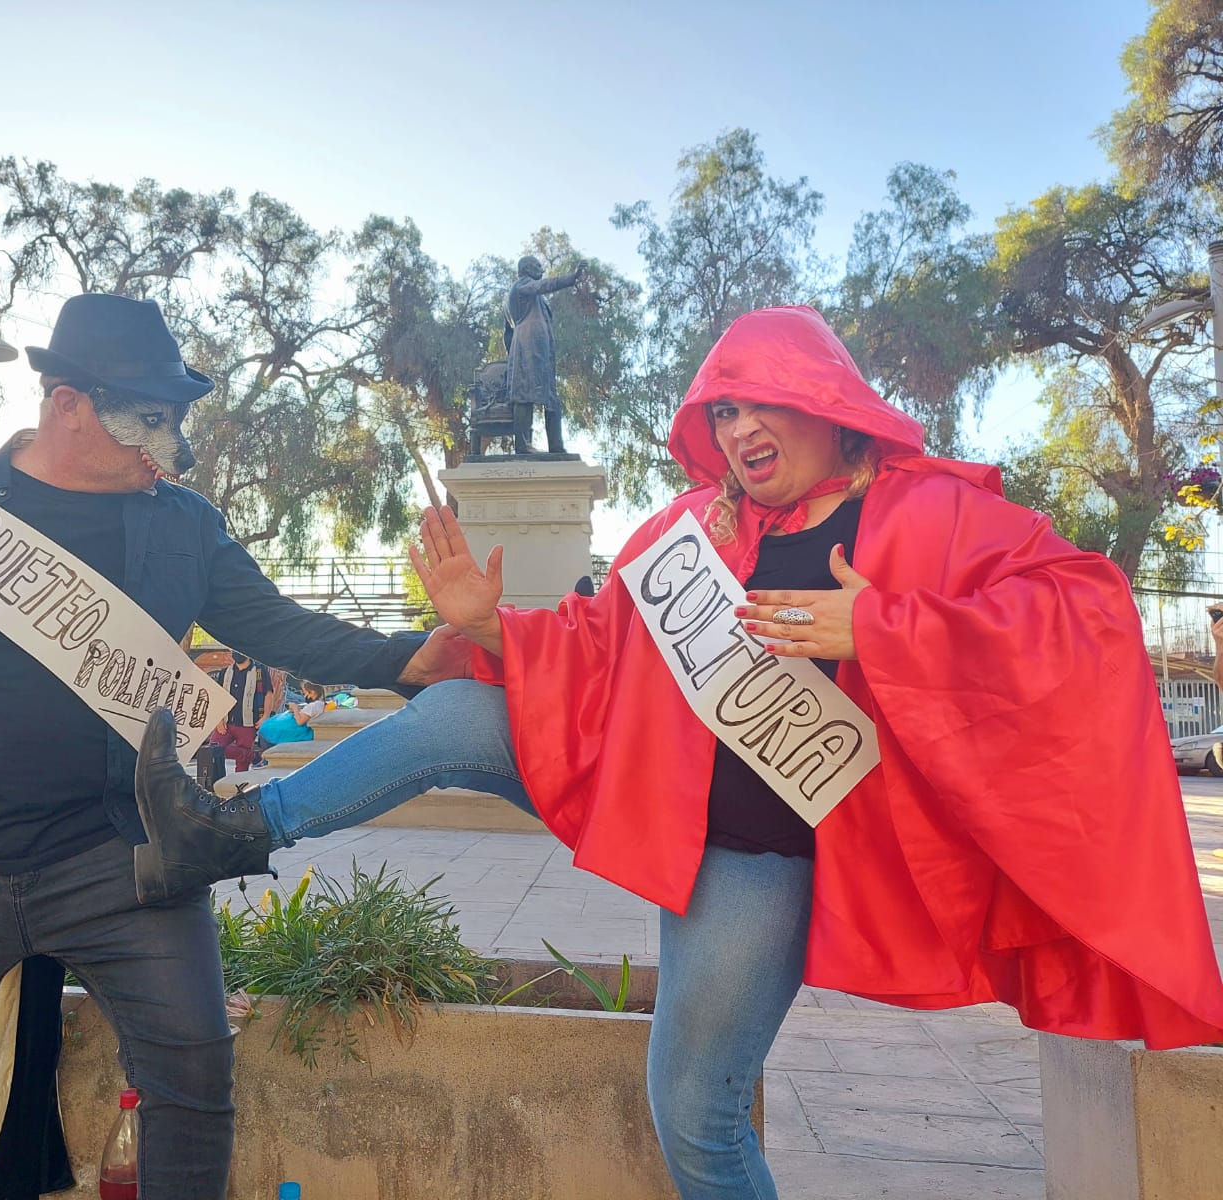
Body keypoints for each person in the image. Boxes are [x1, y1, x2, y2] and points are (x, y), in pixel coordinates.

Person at [137, 306, 1223, 1200]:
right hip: (657, 793)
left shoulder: (933, 514)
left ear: (825, 403)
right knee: (457, 720)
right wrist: (484, 623)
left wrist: (885, 630)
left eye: (759, 400)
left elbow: (1086, 618)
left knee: (696, 1111)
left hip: (768, 860)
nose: (741, 424)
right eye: (723, 409)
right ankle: (232, 830)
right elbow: (591, 645)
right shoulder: (690, 529)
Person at [0, 292, 467, 1200]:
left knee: (193, 1078)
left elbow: (277, 624)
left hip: (121, 858)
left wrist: (416, 657)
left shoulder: (182, 523)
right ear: (66, 401)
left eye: (175, 418)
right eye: (146, 418)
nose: (168, 446)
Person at [504, 254, 582, 454]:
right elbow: (546, 285)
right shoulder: (521, 287)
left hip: (543, 353)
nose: (542, 269)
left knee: (551, 398)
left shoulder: (537, 298)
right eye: (538, 266)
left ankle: (556, 446)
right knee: (524, 396)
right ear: (528, 269)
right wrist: (571, 278)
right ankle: (523, 445)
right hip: (527, 349)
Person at [208, 650, 275, 772]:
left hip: (248, 723)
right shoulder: (225, 672)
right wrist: (218, 720)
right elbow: (218, 696)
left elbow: (268, 694)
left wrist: (265, 716)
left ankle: (239, 788)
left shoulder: (260, 671)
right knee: (209, 752)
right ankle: (252, 756)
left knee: (242, 767)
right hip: (226, 723)